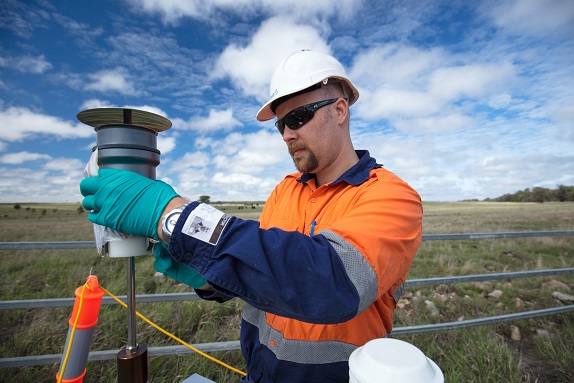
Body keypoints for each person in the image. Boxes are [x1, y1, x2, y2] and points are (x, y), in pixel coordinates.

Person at [80, 49, 423, 383]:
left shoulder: (392, 197)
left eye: (298, 118)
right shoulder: (285, 191)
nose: (288, 134)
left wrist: (175, 216)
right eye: (280, 126)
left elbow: (331, 283)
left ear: (339, 110)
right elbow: (266, 271)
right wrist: (207, 278)